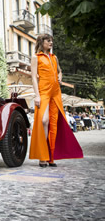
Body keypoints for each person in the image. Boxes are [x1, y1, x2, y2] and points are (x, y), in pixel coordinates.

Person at [30, 34, 83, 167]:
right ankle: (42, 155)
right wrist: (37, 95)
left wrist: (60, 76)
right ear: (41, 42)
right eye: (48, 41)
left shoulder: (54, 57)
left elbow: (60, 71)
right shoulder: (35, 57)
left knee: (54, 123)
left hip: (56, 92)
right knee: (44, 120)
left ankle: (50, 156)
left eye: (52, 41)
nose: (51, 43)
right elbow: (33, 78)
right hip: (43, 91)